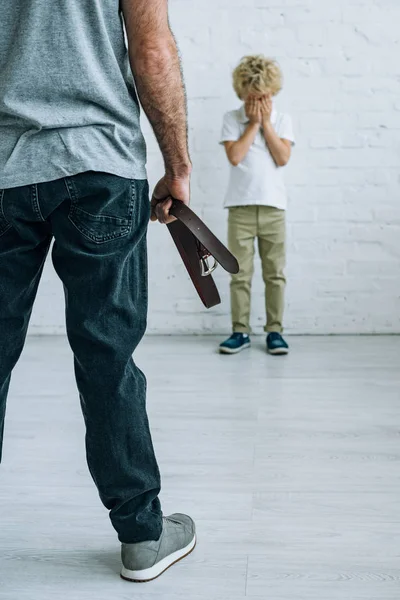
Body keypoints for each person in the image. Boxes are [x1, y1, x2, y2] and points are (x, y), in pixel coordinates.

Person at [0, 0, 195, 584]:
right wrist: (178, 163)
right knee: (107, 353)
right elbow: (151, 48)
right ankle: (141, 535)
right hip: (100, 165)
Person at [219, 55, 295, 356]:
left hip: (274, 208)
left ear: (272, 92)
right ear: (242, 92)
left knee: (275, 273)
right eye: (253, 97)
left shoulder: (283, 119)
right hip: (240, 208)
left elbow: (283, 157)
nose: (259, 102)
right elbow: (235, 156)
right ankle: (240, 331)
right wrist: (252, 124)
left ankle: (275, 331)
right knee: (240, 273)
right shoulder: (231, 118)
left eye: (263, 97)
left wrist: (266, 123)